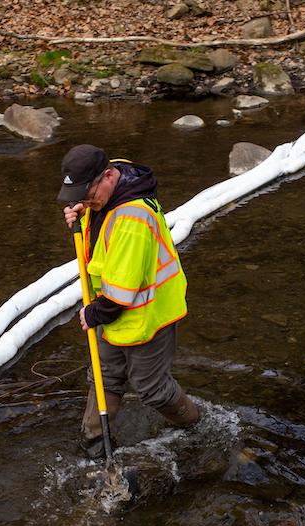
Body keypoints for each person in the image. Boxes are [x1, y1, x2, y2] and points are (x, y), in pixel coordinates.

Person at [57, 144, 201, 459]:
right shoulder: (110, 183)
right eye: (78, 195)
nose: (84, 201)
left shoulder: (133, 219)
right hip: (112, 309)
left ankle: (196, 427)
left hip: (148, 313)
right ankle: (96, 445)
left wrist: (93, 313)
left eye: (87, 194)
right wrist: (80, 214)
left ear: (108, 176)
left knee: (151, 389)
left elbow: (120, 294)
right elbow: (98, 224)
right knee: (103, 375)